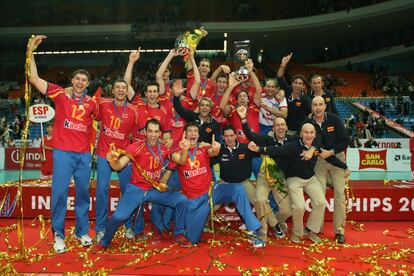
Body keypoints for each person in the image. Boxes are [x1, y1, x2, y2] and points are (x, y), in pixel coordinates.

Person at [27, 35, 99, 253]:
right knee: (59, 194)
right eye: (77, 79)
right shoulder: (60, 94)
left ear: (88, 84)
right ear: (72, 81)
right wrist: (30, 51)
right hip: (63, 154)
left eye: (84, 80)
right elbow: (33, 78)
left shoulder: (92, 103)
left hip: (83, 155)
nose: (80, 83)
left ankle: (82, 231)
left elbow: (105, 119)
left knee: (83, 194)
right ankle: (59, 235)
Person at [92, 119, 192, 252]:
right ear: (145, 132)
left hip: (154, 189)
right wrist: (112, 162)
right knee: (118, 217)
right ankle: (104, 242)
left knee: (182, 200)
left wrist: (185, 149)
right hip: (136, 189)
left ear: (160, 133)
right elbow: (120, 165)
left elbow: (181, 160)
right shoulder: (135, 147)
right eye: (150, 131)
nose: (153, 135)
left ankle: (179, 233)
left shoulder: (164, 149)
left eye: (156, 132)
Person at [173, 122, 264, 247]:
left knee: (238, 189)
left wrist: (215, 149)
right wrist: (185, 149)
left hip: (211, 191)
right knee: (192, 239)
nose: (192, 133)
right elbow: (182, 161)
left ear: (199, 135)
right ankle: (190, 228)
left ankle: (253, 230)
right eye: (190, 131)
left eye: (195, 131)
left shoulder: (203, 148)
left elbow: (213, 152)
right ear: (185, 134)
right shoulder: (176, 151)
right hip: (194, 200)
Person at [248, 123, 326, 243]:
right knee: (295, 206)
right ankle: (273, 231)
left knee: (317, 204)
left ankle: (310, 230)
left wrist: (343, 166)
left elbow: (320, 138)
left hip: (297, 178)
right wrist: (259, 149)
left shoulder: (305, 141)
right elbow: (278, 150)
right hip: (282, 177)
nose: (309, 135)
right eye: (306, 132)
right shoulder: (290, 143)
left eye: (311, 133)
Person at [94, 79, 137, 242]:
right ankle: (100, 228)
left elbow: (135, 134)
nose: (120, 90)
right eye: (117, 87)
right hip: (105, 154)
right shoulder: (103, 103)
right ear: (112, 90)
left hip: (123, 156)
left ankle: (128, 226)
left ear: (127, 91)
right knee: (101, 191)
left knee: (127, 191)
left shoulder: (133, 110)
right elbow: (90, 108)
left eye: (123, 88)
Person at [303, 96, 350, 244]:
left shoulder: (334, 119)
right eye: (315, 105)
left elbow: (345, 141)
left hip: (336, 158)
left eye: (320, 104)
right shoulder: (308, 124)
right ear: (311, 107)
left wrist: (331, 152)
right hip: (320, 161)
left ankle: (339, 230)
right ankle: (316, 228)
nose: (318, 107)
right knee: (319, 194)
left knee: (340, 195)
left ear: (325, 106)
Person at [276, 53, 311, 135]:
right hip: (285, 130)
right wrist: (283, 65)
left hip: (300, 132)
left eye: (300, 84)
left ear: (303, 87)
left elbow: (311, 114)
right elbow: (279, 78)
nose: (297, 85)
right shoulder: (287, 90)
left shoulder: (306, 99)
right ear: (292, 84)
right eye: (296, 83)